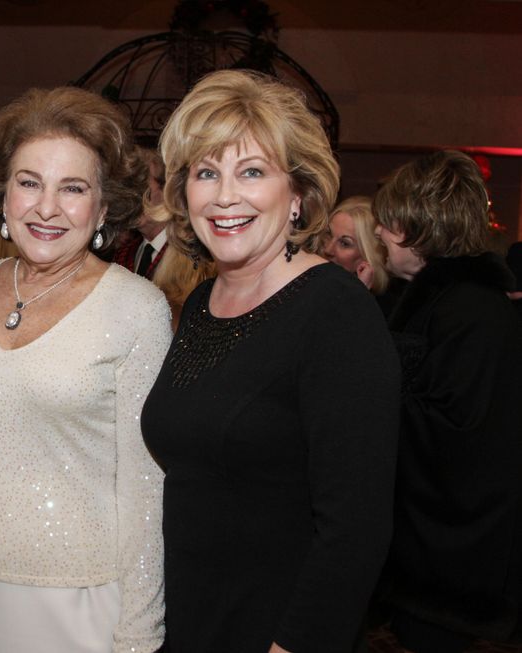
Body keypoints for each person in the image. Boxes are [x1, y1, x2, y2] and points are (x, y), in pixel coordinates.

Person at [141, 70, 399, 653]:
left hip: (278, 629)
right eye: (207, 173)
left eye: (251, 172)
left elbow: (355, 530)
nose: (225, 196)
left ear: (298, 194)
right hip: (190, 616)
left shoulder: (336, 312)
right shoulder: (205, 301)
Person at [0, 86, 170, 653]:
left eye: (73, 188)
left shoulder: (137, 309)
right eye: (29, 182)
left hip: (74, 595)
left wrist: (140, 630)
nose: (47, 207)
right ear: (2, 196)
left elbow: (143, 487)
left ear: (104, 208)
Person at [373, 150, 522, 653]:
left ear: (422, 226)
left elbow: (460, 431)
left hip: (448, 554)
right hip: (424, 548)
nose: (379, 231)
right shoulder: (432, 299)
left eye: (388, 221)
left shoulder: (471, 309)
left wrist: (362, 397)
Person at [112, 147, 170, 279]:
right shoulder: (122, 255)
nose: (132, 197)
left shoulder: (191, 256)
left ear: (167, 191)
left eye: (142, 186)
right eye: (127, 188)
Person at [322, 196, 389, 294]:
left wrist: (358, 293)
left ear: (368, 255)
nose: (328, 250)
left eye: (344, 243)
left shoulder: (380, 305)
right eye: (328, 234)